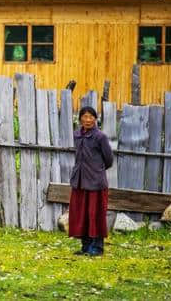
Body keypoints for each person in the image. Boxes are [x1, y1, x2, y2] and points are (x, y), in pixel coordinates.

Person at [68, 106, 114, 256]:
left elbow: (109, 160)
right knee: (82, 214)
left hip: (95, 182)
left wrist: (96, 171)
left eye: (91, 117)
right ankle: (86, 246)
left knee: (95, 214)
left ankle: (97, 248)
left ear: (95, 119)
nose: (88, 120)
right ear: (80, 118)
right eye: (85, 116)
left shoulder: (100, 137)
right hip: (80, 181)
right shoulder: (77, 135)